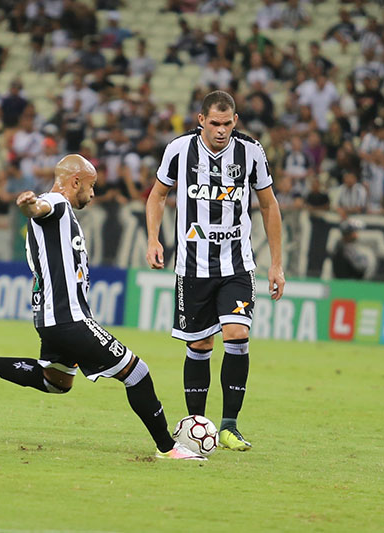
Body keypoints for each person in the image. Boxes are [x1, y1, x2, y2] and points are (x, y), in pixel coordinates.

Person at [0, 154, 205, 461]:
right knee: (137, 373)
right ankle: (168, 447)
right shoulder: (55, 204)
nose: (93, 194)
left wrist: (32, 206)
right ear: (75, 181)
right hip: (69, 319)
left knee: (55, 382)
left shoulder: (61, 213)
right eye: (91, 186)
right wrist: (28, 204)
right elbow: (38, 208)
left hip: (51, 319)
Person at [145, 90, 285, 452]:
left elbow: (269, 206)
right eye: (215, 123)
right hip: (192, 266)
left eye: (228, 123)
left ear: (235, 121)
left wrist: (277, 264)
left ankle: (229, 427)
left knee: (237, 334)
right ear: (201, 120)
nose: (221, 130)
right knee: (201, 343)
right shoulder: (178, 150)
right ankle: (196, 425)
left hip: (237, 263)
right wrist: (153, 240)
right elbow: (157, 195)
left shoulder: (250, 151)